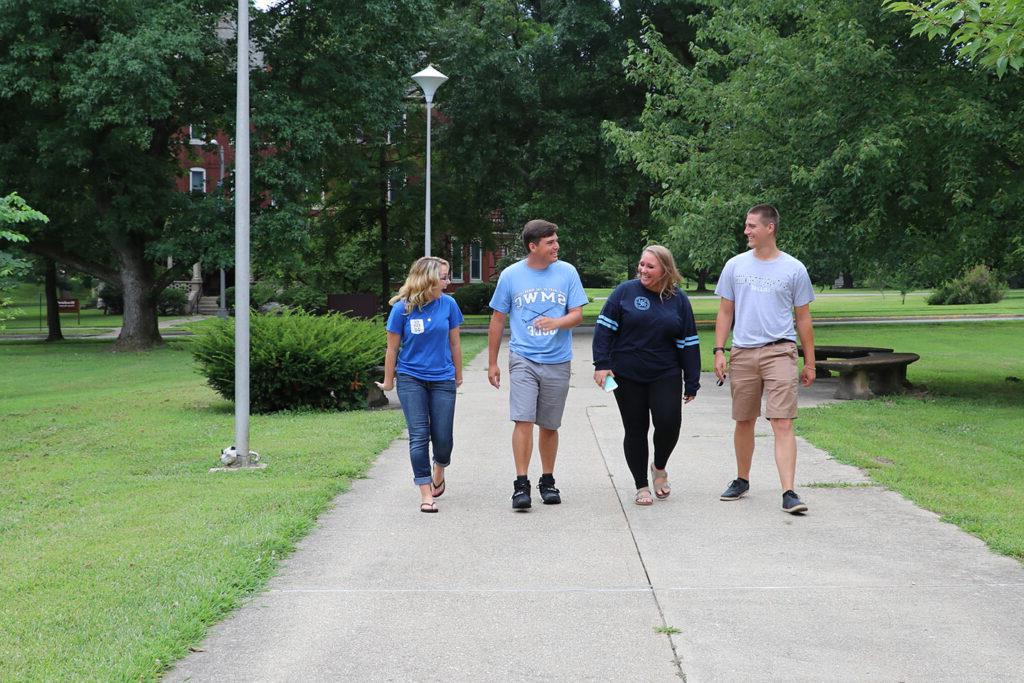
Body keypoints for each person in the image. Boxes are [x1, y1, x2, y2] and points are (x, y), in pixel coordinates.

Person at [712, 204, 816, 514]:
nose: (746, 231)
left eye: (751, 226)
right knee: (744, 419)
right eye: (746, 225)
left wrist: (808, 362)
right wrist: (720, 350)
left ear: (769, 228)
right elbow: (725, 311)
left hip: (780, 350)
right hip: (743, 351)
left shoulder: (793, 268)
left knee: (782, 421)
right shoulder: (735, 266)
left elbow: (804, 318)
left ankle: (789, 492)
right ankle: (742, 479)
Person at [487, 219, 589, 510]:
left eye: (556, 241)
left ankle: (548, 480)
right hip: (523, 358)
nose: (556, 246)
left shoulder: (567, 272)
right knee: (523, 419)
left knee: (549, 424)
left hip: (557, 360)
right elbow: (497, 320)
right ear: (533, 246)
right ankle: (521, 484)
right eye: (550, 242)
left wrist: (556, 322)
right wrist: (492, 363)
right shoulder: (510, 276)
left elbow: (577, 314)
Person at [592, 245, 701, 505]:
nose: (642, 270)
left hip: (666, 371)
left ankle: (659, 467)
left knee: (669, 422)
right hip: (627, 373)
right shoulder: (624, 292)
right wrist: (601, 364)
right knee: (635, 429)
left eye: (650, 266)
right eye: (641, 264)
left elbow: (689, 341)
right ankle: (641, 485)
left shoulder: (679, 299)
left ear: (665, 269)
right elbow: (604, 329)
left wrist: (692, 380)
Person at [377, 257, 464, 513]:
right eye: (444, 276)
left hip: (442, 378)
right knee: (418, 436)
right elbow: (392, 349)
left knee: (443, 438)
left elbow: (455, 343)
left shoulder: (449, 305)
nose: (448, 281)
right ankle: (425, 492)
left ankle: (440, 469)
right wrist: (388, 380)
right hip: (410, 377)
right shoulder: (401, 309)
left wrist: (457, 374)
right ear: (428, 278)